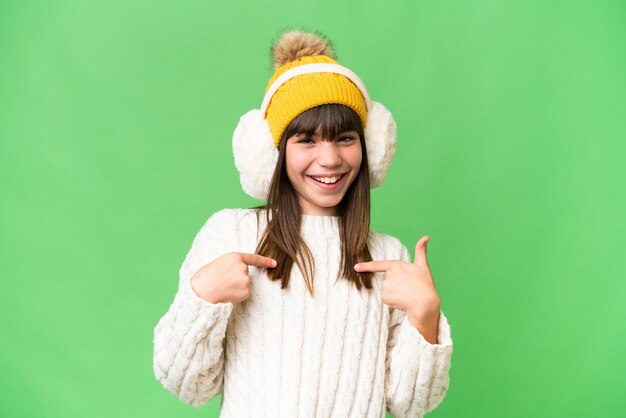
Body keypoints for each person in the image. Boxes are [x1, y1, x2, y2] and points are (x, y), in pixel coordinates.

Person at [152, 29, 453, 418]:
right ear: (273, 153)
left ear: (370, 147)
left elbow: (410, 405)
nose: (329, 159)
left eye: (345, 138)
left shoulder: (387, 256)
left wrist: (425, 317)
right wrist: (203, 298)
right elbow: (188, 387)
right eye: (307, 140)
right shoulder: (230, 234)